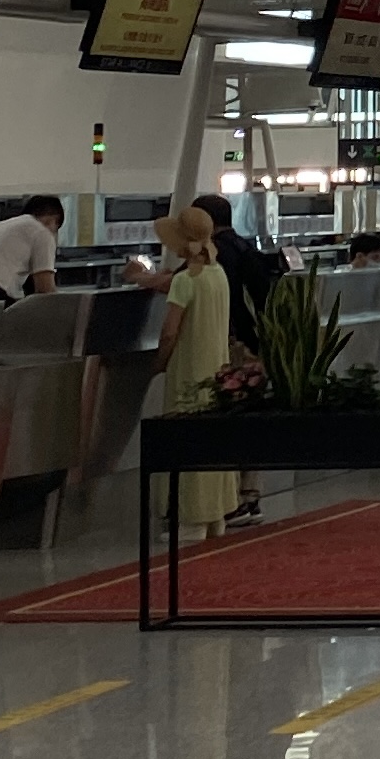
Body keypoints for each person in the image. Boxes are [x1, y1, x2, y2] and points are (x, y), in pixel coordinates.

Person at [133, 207, 237, 536]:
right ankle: (215, 516)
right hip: (216, 369)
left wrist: (159, 365)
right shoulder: (218, 274)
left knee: (184, 441)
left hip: (189, 368)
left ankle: (190, 519)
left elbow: (169, 332)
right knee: (212, 440)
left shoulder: (184, 281)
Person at [192, 192, 288, 325]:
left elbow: (181, 280)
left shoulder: (211, 251)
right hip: (248, 323)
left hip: (226, 325)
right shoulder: (244, 246)